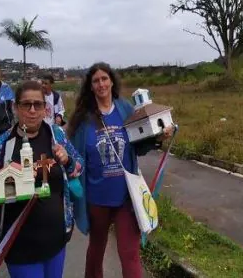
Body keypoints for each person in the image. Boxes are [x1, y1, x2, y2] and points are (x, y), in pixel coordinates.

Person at [67, 62, 174, 278]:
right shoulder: (83, 119)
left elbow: (138, 145)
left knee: (130, 253)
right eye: (96, 80)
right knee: (96, 251)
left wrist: (158, 139)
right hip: (97, 199)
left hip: (126, 197)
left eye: (104, 79)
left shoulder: (126, 109)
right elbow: (75, 158)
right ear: (90, 86)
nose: (101, 84)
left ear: (112, 81)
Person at [0, 80, 84, 278]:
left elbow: (79, 167)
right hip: (19, 247)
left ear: (45, 109)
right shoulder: (1, 146)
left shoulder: (56, 135)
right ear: (16, 108)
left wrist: (67, 160)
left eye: (38, 104)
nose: (32, 110)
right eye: (26, 104)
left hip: (56, 242)